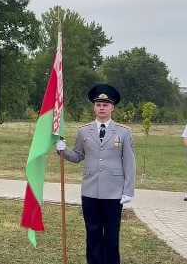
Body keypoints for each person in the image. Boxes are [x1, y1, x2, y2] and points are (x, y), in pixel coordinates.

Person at [56, 84, 136, 264]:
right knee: (92, 232)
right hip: (90, 191)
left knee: (112, 234)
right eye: (98, 104)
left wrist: (128, 190)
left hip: (114, 192)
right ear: (94, 107)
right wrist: (62, 150)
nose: (102, 108)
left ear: (112, 108)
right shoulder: (84, 131)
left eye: (105, 105)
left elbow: (130, 163)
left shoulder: (124, 132)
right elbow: (78, 156)